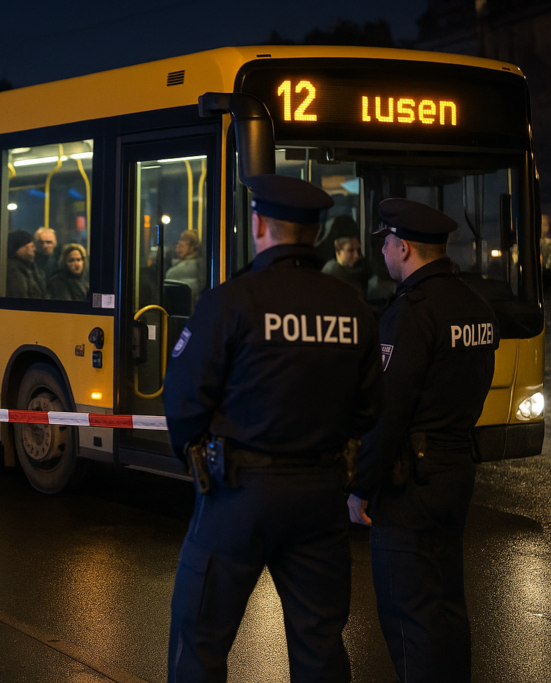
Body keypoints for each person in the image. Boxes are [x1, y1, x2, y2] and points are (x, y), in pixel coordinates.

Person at [163, 174, 383, 683]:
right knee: (320, 645)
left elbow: (184, 399)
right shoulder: (352, 308)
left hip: (237, 495)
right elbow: (371, 410)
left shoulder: (231, 301)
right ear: (316, 234)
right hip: (321, 497)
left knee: (199, 639)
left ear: (259, 224)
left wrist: (198, 458)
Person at [347, 199, 498, 683]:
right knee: (447, 605)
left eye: (387, 244)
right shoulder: (474, 304)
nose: (384, 253)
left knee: (409, 613)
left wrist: (361, 486)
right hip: (455, 470)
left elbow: (388, 412)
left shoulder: (411, 313)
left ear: (404, 247)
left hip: (411, 483)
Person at [322, 230, 370, 297]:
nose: (357, 256)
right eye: (350, 250)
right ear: (337, 249)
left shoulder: (361, 272)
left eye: (358, 250)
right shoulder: (331, 277)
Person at [5, 229, 45, 298]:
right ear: (20, 248)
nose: (34, 249)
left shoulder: (29, 267)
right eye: (31, 246)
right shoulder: (13, 271)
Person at [165, 229, 205, 295]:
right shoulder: (197, 263)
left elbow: (169, 274)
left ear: (191, 248)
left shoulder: (191, 266)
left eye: (181, 246)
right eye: (178, 245)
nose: (178, 248)